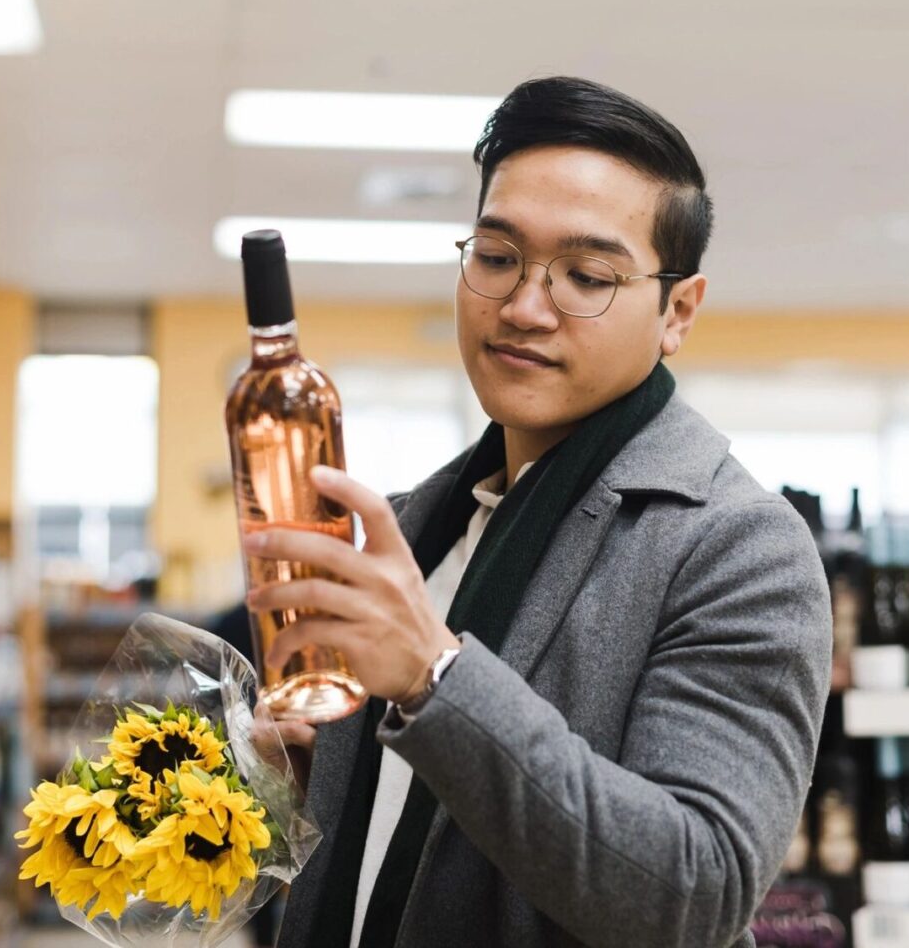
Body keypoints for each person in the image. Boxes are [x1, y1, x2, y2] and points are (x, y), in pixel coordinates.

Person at [245, 76, 832, 948]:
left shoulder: (738, 548)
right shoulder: (417, 526)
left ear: (677, 311)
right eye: (495, 257)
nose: (521, 308)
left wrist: (434, 677)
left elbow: (694, 892)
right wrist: (317, 766)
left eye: (586, 276)